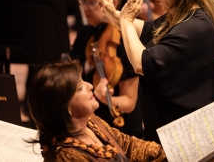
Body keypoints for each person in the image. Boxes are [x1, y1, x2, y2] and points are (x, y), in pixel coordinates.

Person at [88, 0, 214, 143]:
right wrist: (111, 12)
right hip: (169, 130)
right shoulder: (180, 15)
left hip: (188, 138)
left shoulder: (196, 28)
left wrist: (127, 20)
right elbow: (144, 30)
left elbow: (141, 63)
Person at [27, 59, 167, 161]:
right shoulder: (66, 156)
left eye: (83, 81)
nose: (89, 85)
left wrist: (167, 153)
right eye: (80, 87)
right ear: (64, 105)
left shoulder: (90, 121)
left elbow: (128, 145)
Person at [71, 0, 144, 138]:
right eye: (84, 1)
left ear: (114, 3)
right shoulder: (85, 32)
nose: (86, 8)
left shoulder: (126, 41)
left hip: (120, 132)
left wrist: (106, 100)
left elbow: (129, 102)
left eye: (93, 2)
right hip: (89, 124)